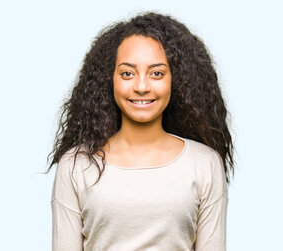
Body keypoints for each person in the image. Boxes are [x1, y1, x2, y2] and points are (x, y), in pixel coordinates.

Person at [44, 11, 234, 251]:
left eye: (156, 73)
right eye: (127, 73)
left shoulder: (205, 163)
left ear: (176, 80)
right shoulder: (75, 165)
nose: (142, 86)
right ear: (109, 80)